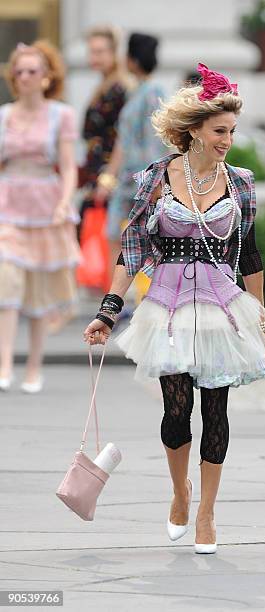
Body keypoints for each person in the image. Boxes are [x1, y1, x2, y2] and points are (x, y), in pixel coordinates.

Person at [84, 63, 265, 554]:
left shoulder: (241, 184)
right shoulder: (154, 178)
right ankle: (180, 492)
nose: (227, 140)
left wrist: (263, 322)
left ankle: (208, 514)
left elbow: (250, 256)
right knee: (176, 409)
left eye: (231, 131)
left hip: (221, 306)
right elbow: (131, 249)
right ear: (193, 130)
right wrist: (108, 312)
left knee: (216, 408)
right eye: (219, 131)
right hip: (165, 304)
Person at [0, 41, 79, 393]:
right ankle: (4, 366)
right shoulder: (3, 115)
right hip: (8, 203)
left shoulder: (61, 115)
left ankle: (33, 367)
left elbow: (67, 165)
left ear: (47, 77)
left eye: (32, 71)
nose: (25, 77)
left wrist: (64, 201)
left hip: (45, 204)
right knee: (7, 282)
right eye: (19, 71)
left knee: (37, 293)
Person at [94, 32, 167, 283]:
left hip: (143, 175)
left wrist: (157, 177)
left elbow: (154, 138)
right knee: (116, 232)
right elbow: (124, 141)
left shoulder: (151, 91)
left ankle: (135, 295)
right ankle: (120, 295)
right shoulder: (139, 90)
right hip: (129, 175)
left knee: (140, 235)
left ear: (133, 59)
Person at [79, 26, 130, 240]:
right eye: (91, 51)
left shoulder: (121, 88)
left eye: (100, 51)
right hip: (96, 174)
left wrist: (108, 177)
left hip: (111, 179)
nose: (94, 57)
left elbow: (124, 137)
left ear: (114, 52)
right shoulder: (103, 87)